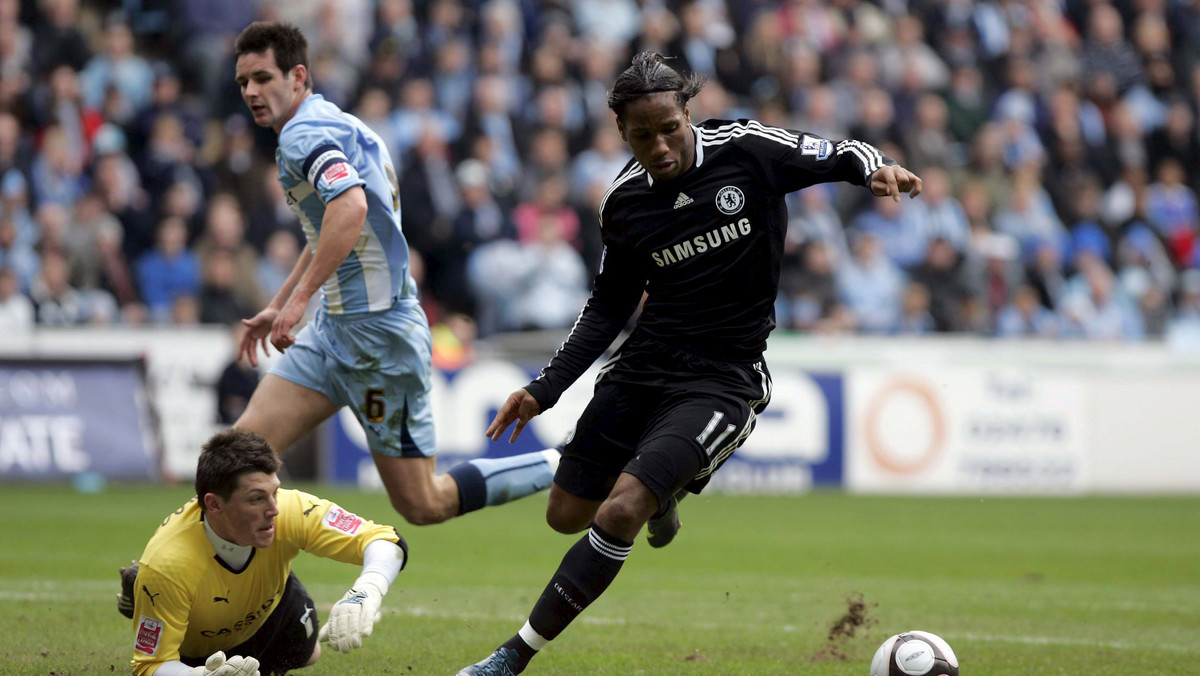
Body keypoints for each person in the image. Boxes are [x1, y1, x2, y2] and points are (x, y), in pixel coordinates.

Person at [457, 52, 922, 675]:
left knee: (621, 510)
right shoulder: (623, 204)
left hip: (724, 376)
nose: (661, 145)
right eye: (642, 135)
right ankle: (665, 489)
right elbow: (607, 308)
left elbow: (837, 151)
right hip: (645, 365)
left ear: (688, 115)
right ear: (621, 132)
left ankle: (510, 659)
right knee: (564, 515)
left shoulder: (749, 150)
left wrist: (878, 171)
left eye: (670, 128)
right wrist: (546, 389)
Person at [229, 22, 558, 525]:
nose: (251, 91)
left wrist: (298, 303)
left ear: (298, 76)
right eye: (243, 82)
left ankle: (569, 463)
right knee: (236, 460)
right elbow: (329, 227)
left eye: (262, 77)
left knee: (423, 503)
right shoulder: (340, 123)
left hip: (380, 340)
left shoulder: (302, 135)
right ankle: (197, 580)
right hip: (333, 332)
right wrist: (281, 301)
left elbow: (350, 209)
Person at [122, 429, 407, 676]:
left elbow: (384, 540)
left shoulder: (291, 509)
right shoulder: (168, 564)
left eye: (275, 492)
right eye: (257, 499)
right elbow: (150, 665)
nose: (274, 509)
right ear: (214, 504)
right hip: (197, 646)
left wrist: (367, 591)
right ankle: (145, 594)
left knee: (309, 654)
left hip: (268, 606)